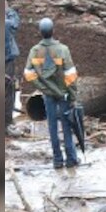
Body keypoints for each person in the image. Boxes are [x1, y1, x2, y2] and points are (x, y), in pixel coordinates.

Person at [22, 17, 80, 169]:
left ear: (40, 32)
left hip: (48, 96)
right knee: (67, 125)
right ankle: (71, 159)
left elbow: (28, 73)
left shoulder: (35, 51)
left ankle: (57, 160)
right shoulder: (62, 49)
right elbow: (71, 76)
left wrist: (42, 87)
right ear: (53, 31)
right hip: (63, 94)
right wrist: (73, 96)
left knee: (52, 127)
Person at [5, 1, 25, 137]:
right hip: (6, 62)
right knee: (8, 93)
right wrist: (8, 10)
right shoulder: (5, 24)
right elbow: (15, 23)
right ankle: (7, 124)